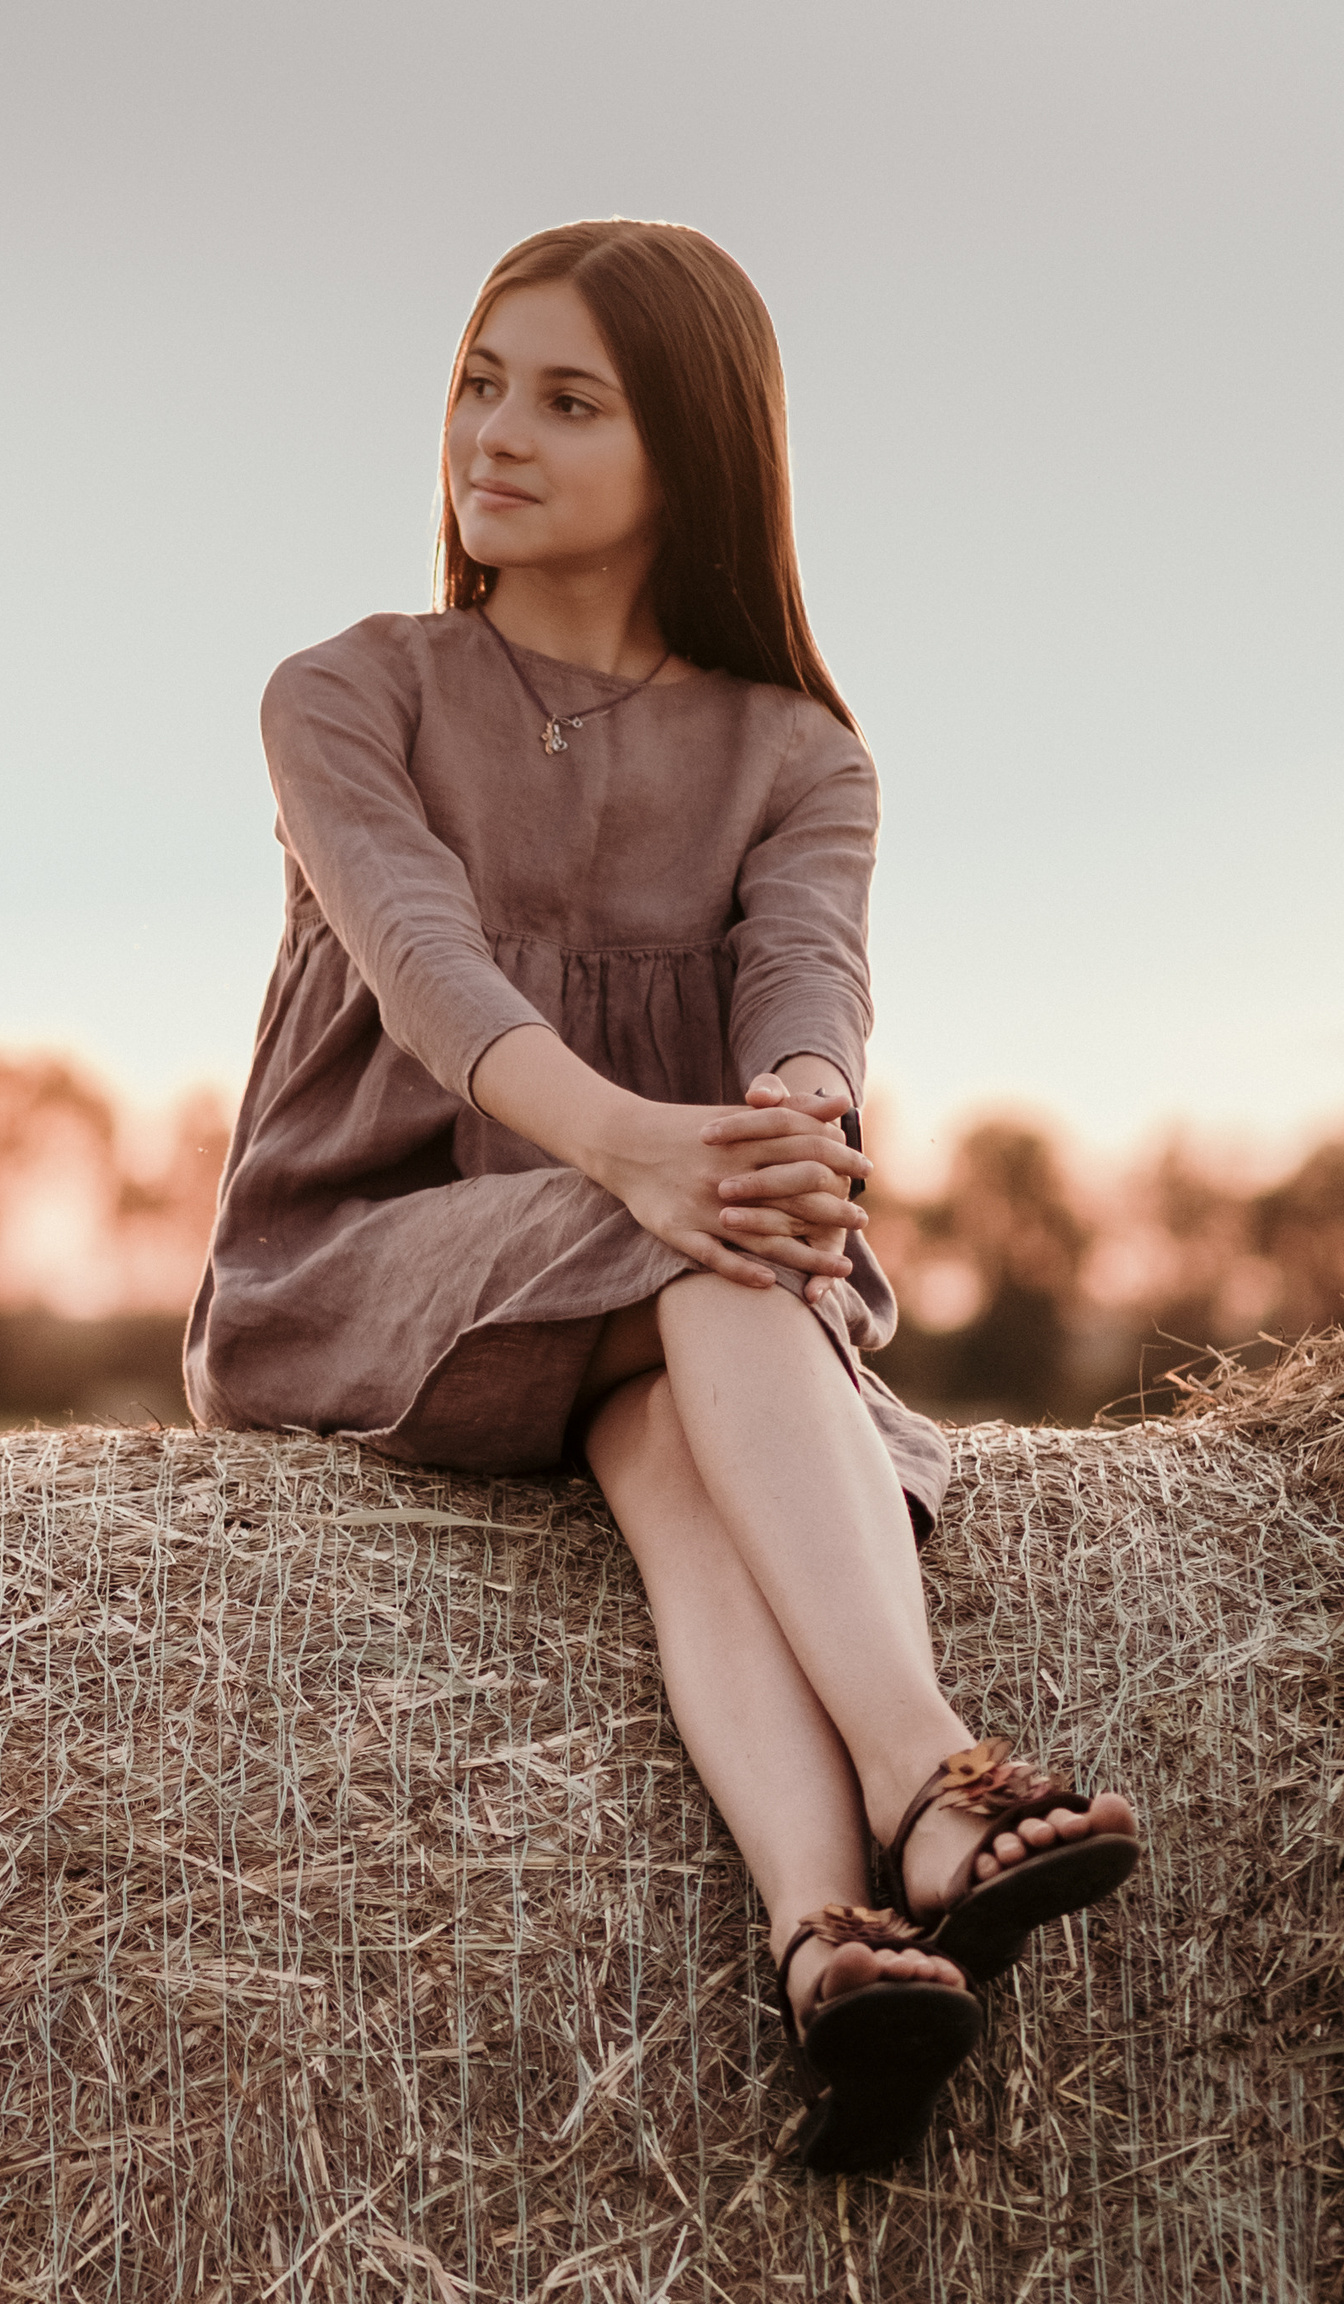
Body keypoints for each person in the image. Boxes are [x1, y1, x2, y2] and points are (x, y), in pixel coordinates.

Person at [184, 219, 1141, 2172]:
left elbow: (808, 995)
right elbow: (423, 971)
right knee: (700, 1243)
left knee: (679, 1445)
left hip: (665, 1285)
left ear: (687, 456)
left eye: (562, 398)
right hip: (361, 1265)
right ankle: (926, 1776)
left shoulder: (796, 753)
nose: (490, 432)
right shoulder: (343, 693)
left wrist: (778, 1121)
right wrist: (647, 1146)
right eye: (476, 380)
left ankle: (825, 1931)